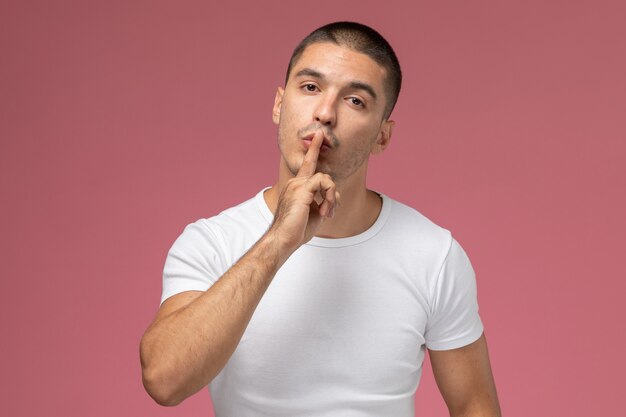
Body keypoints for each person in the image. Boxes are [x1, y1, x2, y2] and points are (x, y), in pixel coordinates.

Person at [140, 21, 501, 416]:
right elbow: (164, 380)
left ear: (383, 135)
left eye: (355, 101)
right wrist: (279, 239)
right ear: (280, 104)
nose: (325, 113)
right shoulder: (213, 242)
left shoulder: (434, 254)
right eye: (310, 88)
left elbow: (474, 405)